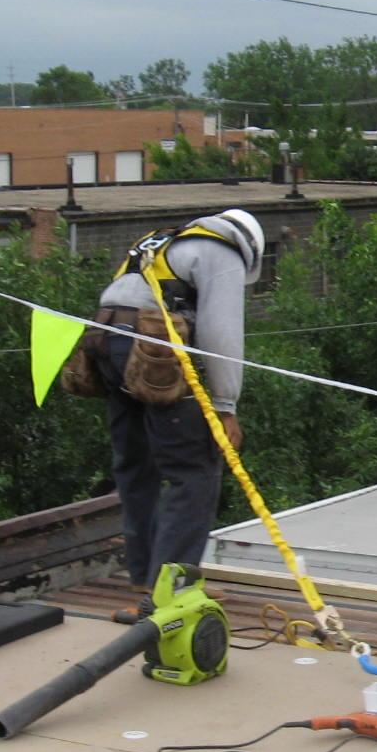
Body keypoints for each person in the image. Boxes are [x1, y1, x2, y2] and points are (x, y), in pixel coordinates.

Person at [88, 208, 265, 591]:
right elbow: (222, 334)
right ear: (250, 250)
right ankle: (173, 591)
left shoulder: (162, 242)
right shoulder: (223, 252)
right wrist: (225, 406)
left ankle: (145, 581)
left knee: (136, 468)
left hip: (104, 344)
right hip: (152, 351)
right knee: (194, 472)